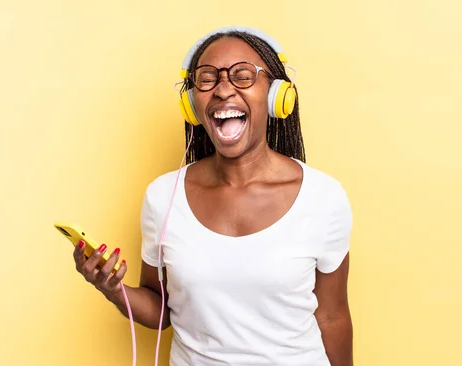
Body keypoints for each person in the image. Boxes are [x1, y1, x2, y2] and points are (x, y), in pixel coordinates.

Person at [72, 26, 354, 366]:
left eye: (243, 76)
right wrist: (113, 289)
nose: (223, 90)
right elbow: (162, 311)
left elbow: (333, 317)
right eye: (207, 78)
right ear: (192, 103)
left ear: (276, 94)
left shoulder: (323, 198)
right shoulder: (164, 197)